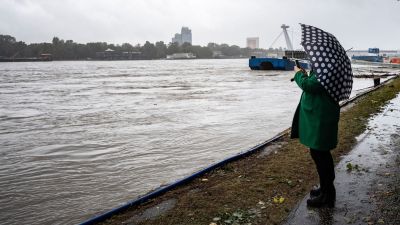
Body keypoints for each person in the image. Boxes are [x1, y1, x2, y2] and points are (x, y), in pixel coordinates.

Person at [290, 66, 340, 208]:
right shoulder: (323, 68)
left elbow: (310, 85)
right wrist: (306, 73)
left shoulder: (325, 69)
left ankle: (328, 195)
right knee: (320, 154)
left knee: (320, 154)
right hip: (319, 115)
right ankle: (326, 189)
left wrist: (299, 74)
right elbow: (313, 83)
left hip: (321, 117)